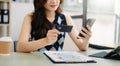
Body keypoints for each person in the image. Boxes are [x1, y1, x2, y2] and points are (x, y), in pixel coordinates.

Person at [16, 0, 92, 53]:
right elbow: (20, 47)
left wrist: (86, 40)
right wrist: (46, 41)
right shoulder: (30, 18)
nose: (54, 1)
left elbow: (82, 47)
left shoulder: (65, 18)